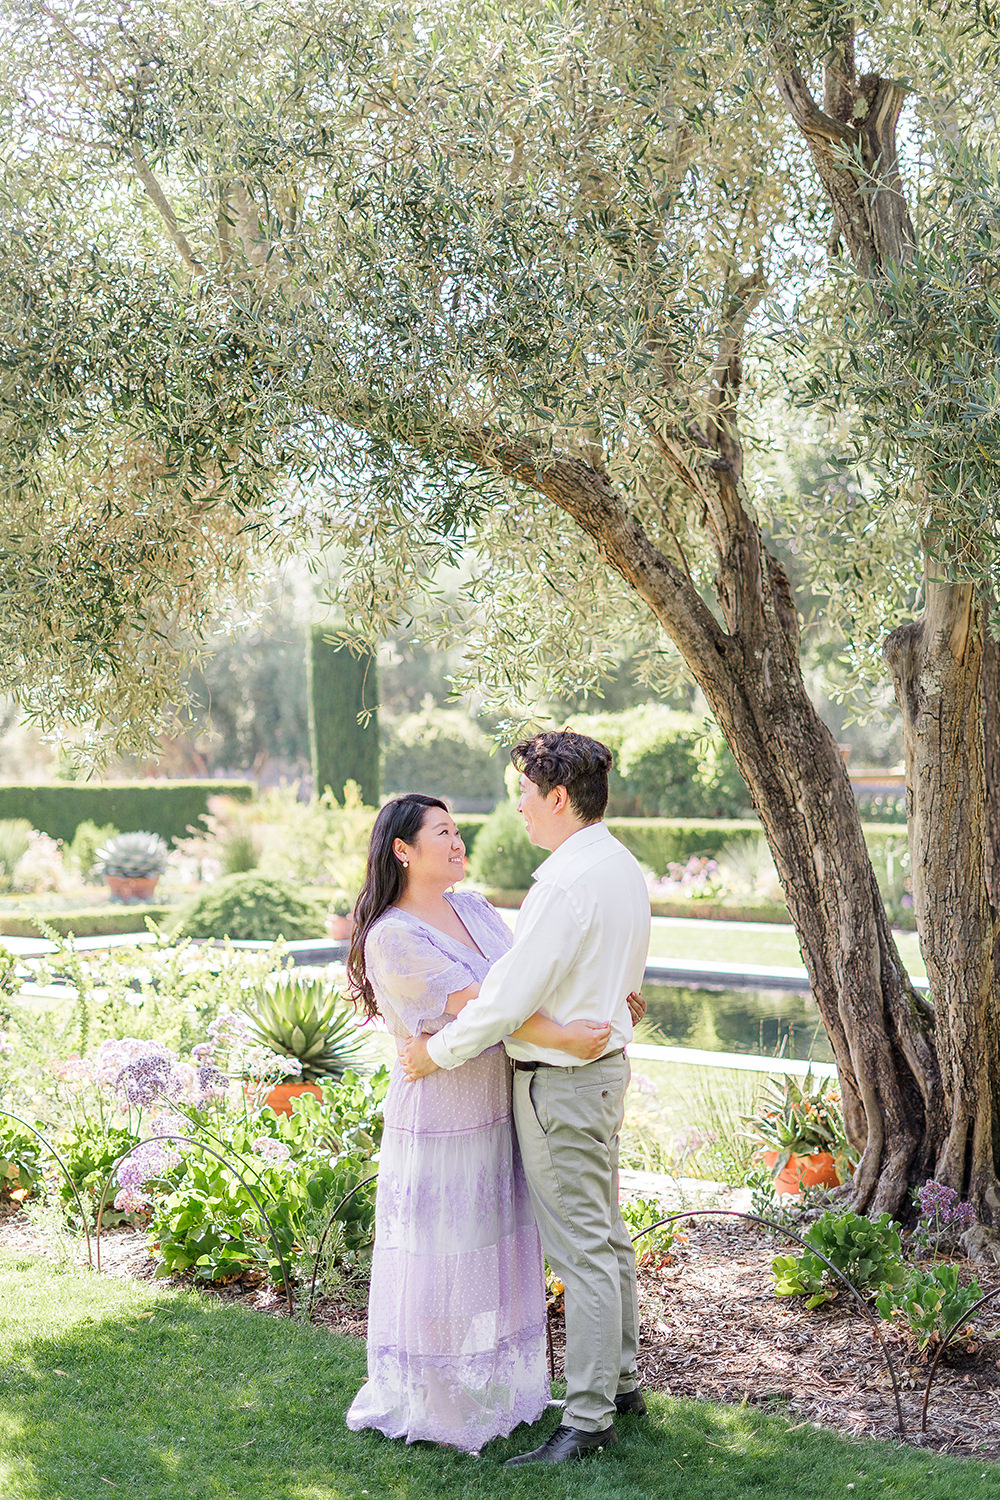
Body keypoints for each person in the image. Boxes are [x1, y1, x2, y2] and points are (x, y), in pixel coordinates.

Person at [343, 792, 627, 1453]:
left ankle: (499, 1386)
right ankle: (440, 1400)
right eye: (442, 832)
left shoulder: (473, 907)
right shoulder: (393, 936)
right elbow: (483, 1008)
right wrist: (562, 1036)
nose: (458, 840)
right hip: (443, 1113)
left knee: (495, 1247)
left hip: (501, 1103)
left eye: (457, 829)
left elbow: (528, 982)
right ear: (403, 850)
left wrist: (601, 996)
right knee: (447, 1254)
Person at [401, 731, 651, 1465]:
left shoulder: (564, 885)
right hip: (597, 1075)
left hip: (563, 1088)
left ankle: (588, 1420)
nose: (518, 807)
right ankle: (621, 1383)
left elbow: (504, 1001)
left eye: (524, 793)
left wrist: (433, 1053)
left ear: (559, 798)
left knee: (583, 1253)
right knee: (603, 1237)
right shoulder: (619, 866)